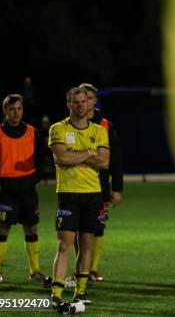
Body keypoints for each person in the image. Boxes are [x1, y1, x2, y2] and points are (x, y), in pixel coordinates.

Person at [47, 87, 109, 308]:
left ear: (89, 104)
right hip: (68, 194)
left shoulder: (100, 131)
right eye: (76, 102)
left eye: (84, 102)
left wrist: (75, 155)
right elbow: (62, 158)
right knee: (64, 245)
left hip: (93, 194)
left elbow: (104, 162)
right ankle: (56, 293)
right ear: (68, 105)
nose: (81, 105)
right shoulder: (57, 129)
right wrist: (89, 153)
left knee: (86, 244)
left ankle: (80, 292)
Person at [0, 94, 47, 284]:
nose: (16, 113)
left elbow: (42, 160)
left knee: (31, 227)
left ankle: (35, 271)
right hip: (7, 191)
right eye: (12, 109)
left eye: (19, 109)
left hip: (28, 190)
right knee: (2, 228)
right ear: (5, 111)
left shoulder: (32, 132)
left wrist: (34, 179)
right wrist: (1, 182)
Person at [78, 83, 123, 282]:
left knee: (97, 227)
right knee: (75, 229)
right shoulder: (70, 124)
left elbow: (116, 159)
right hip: (75, 185)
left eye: (89, 98)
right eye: (82, 97)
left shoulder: (105, 125)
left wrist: (117, 188)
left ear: (95, 101)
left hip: (99, 186)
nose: (85, 102)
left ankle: (92, 269)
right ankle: (80, 268)